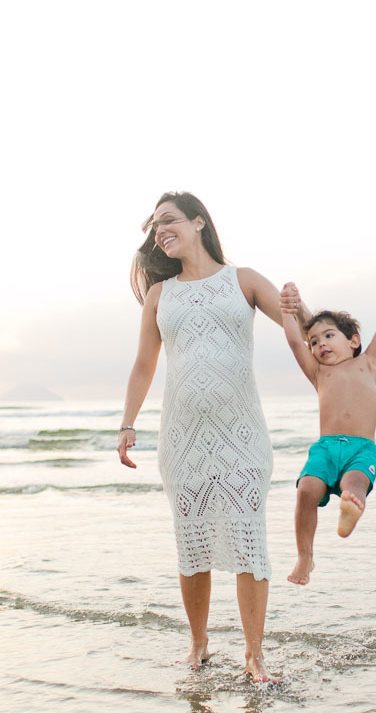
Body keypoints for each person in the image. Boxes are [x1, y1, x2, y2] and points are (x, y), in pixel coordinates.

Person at [118, 191, 284, 682]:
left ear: (198, 222)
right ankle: (199, 644)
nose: (159, 231)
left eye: (167, 220)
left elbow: (300, 323)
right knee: (192, 543)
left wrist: (342, 370)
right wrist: (128, 424)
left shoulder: (244, 280)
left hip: (243, 434)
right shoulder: (159, 296)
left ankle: (254, 654)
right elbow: (144, 364)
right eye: (154, 226)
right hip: (183, 438)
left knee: (248, 538)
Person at [278, 283, 376, 585]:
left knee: (354, 482)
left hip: (361, 449)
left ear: (353, 341)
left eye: (328, 336)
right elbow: (295, 344)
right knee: (306, 490)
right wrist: (287, 313)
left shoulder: (369, 362)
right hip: (325, 449)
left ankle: (351, 506)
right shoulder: (319, 372)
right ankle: (305, 556)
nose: (320, 344)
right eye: (315, 341)